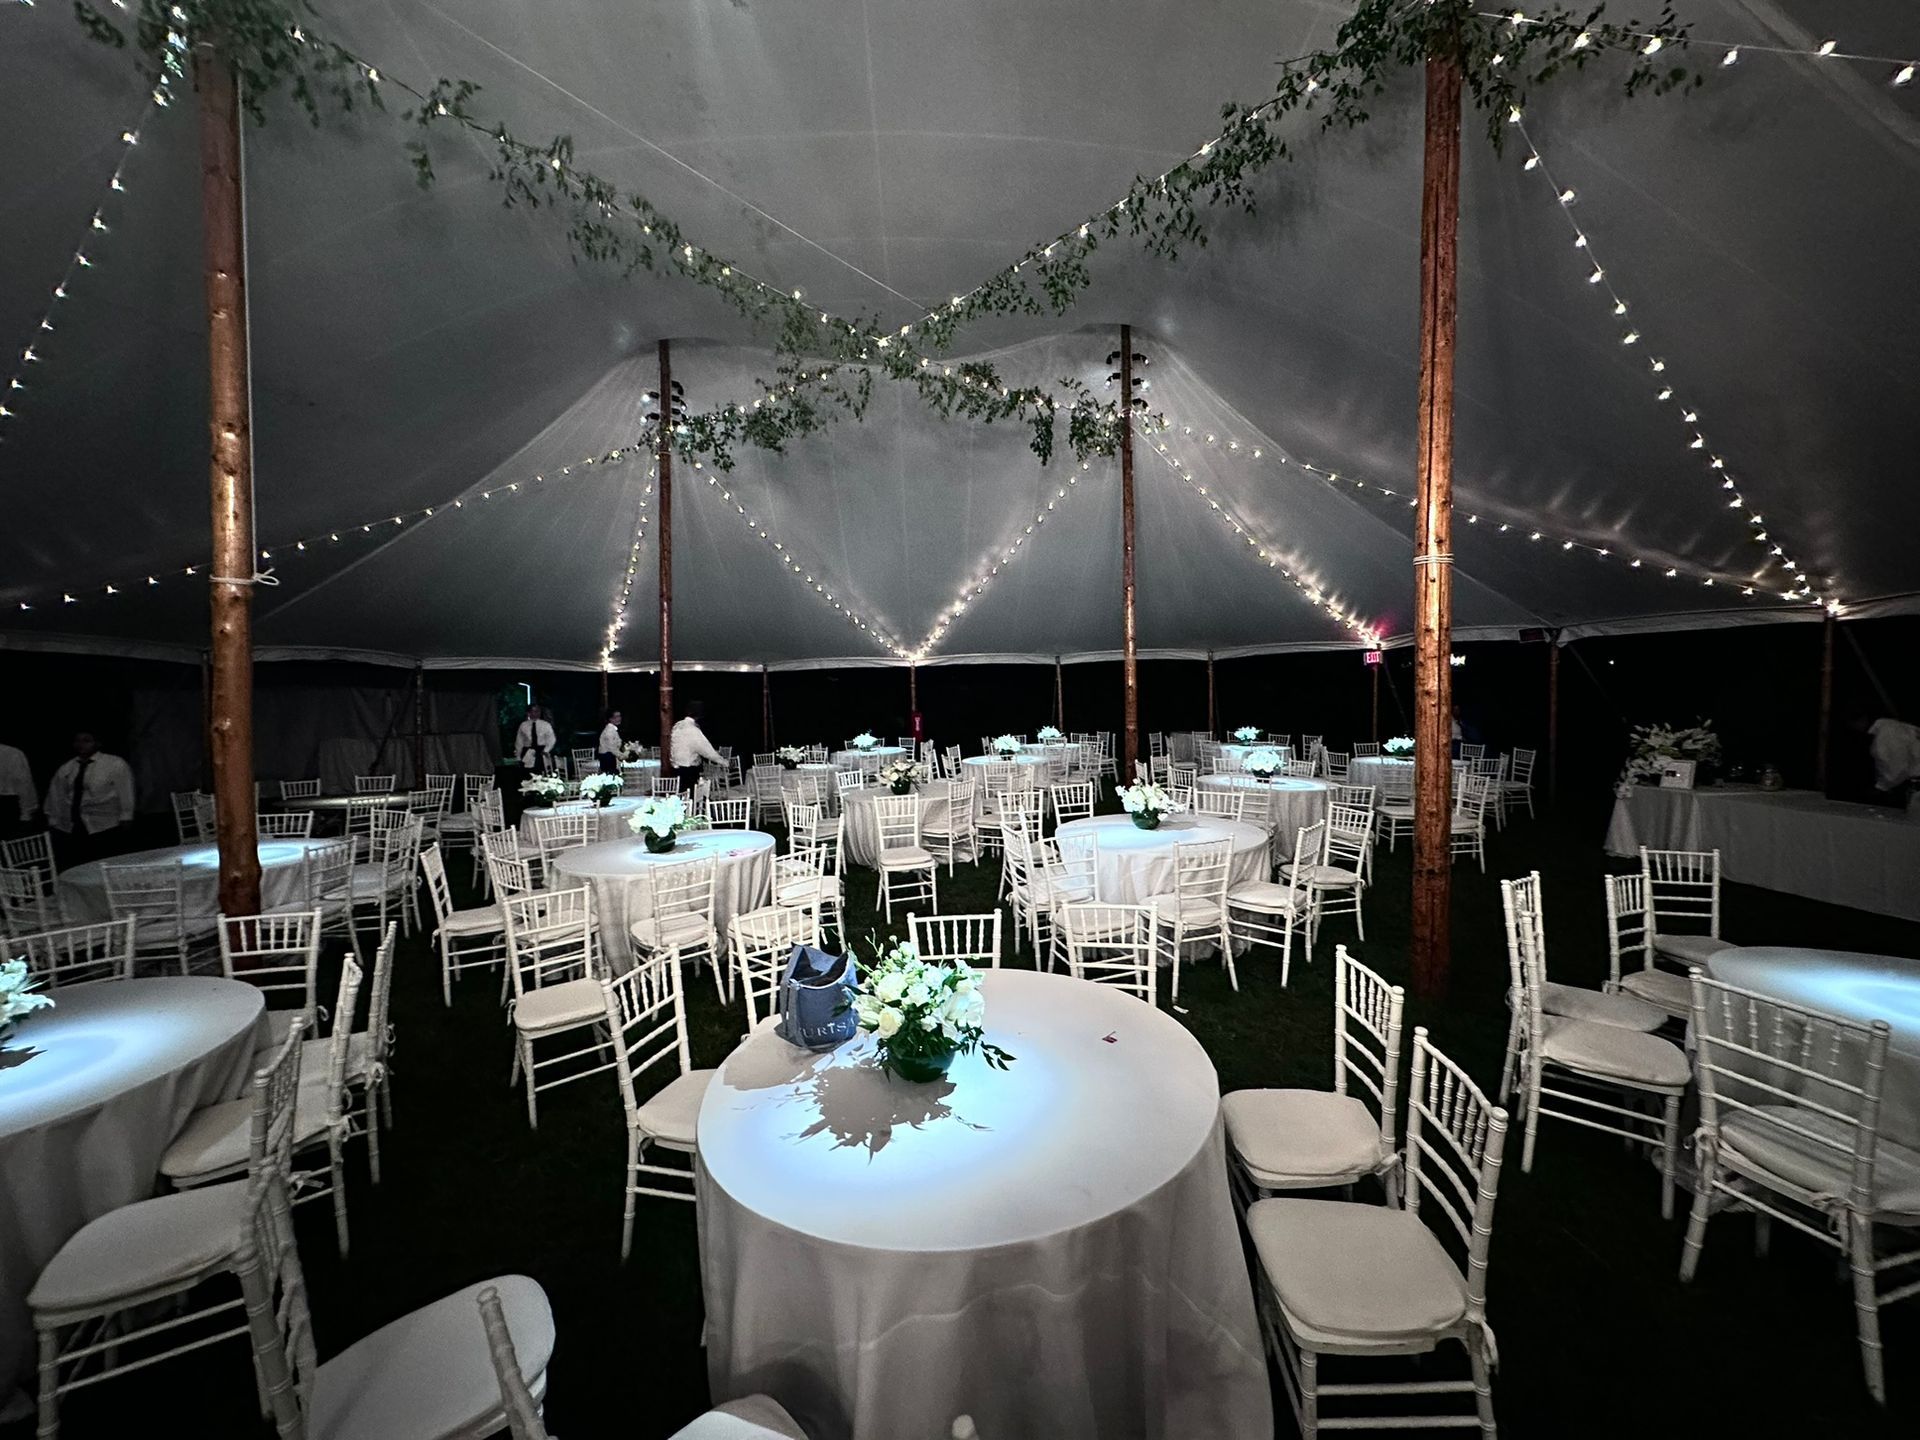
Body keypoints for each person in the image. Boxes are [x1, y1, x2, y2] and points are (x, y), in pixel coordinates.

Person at [44, 731, 135, 867]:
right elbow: (57, 794)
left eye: (86, 741)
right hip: (77, 821)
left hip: (106, 821)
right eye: (78, 741)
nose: (81, 745)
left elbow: (125, 789)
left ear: (97, 743)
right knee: (83, 860)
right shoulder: (68, 767)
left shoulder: (114, 763)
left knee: (108, 859)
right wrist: (54, 818)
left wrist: (126, 815)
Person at [669, 700, 722, 793]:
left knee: (681, 795)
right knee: (691, 795)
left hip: (677, 768)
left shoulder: (677, 726)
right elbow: (707, 750)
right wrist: (723, 761)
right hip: (689, 769)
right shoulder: (692, 729)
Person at [0, 739, 36, 833]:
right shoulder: (13, 753)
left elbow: (24, 785)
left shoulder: (13, 754)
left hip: (7, 806)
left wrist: (26, 813)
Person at [513, 704, 557, 773]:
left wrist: (546, 750)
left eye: (537, 711)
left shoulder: (545, 725)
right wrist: (518, 757)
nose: (536, 713)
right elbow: (519, 742)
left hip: (541, 751)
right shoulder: (523, 725)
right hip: (527, 751)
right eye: (533, 711)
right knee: (527, 772)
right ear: (529, 713)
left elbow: (551, 739)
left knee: (542, 772)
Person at [596, 709, 624, 775]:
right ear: (610, 719)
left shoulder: (613, 729)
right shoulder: (609, 730)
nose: (618, 718)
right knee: (610, 777)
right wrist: (623, 756)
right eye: (616, 717)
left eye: (619, 716)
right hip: (608, 759)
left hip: (610, 758)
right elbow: (612, 748)